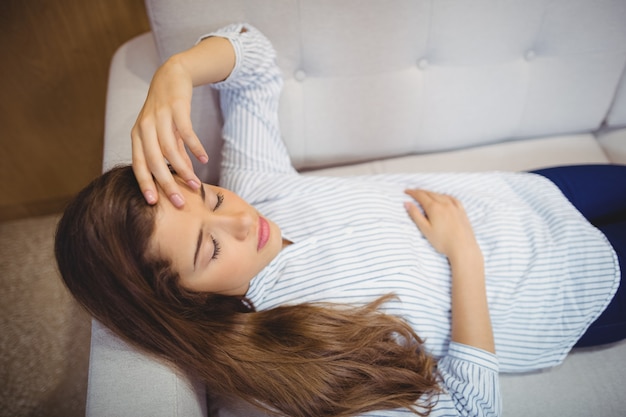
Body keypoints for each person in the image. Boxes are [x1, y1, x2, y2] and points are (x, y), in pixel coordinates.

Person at [55, 23, 625, 417]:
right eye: (209, 251)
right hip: (569, 289)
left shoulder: (256, 190)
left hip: (535, 194)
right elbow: (470, 408)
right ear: (185, 301)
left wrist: (177, 72)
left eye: (212, 198)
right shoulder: (297, 352)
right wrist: (465, 256)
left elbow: (254, 65)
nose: (239, 223)